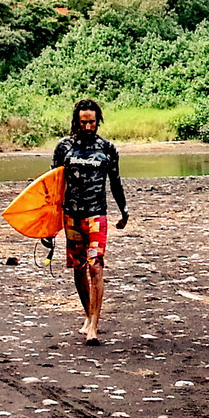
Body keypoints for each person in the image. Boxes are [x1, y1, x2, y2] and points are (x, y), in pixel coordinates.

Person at [45, 98, 127, 343]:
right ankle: (87, 314)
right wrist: (48, 226)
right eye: (83, 122)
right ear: (76, 122)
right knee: (79, 268)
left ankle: (94, 326)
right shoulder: (64, 148)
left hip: (96, 214)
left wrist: (124, 211)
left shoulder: (107, 149)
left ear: (98, 121)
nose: (88, 127)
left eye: (92, 122)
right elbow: (52, 187)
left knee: (96, 266)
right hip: (71, 214)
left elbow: (115, 182)